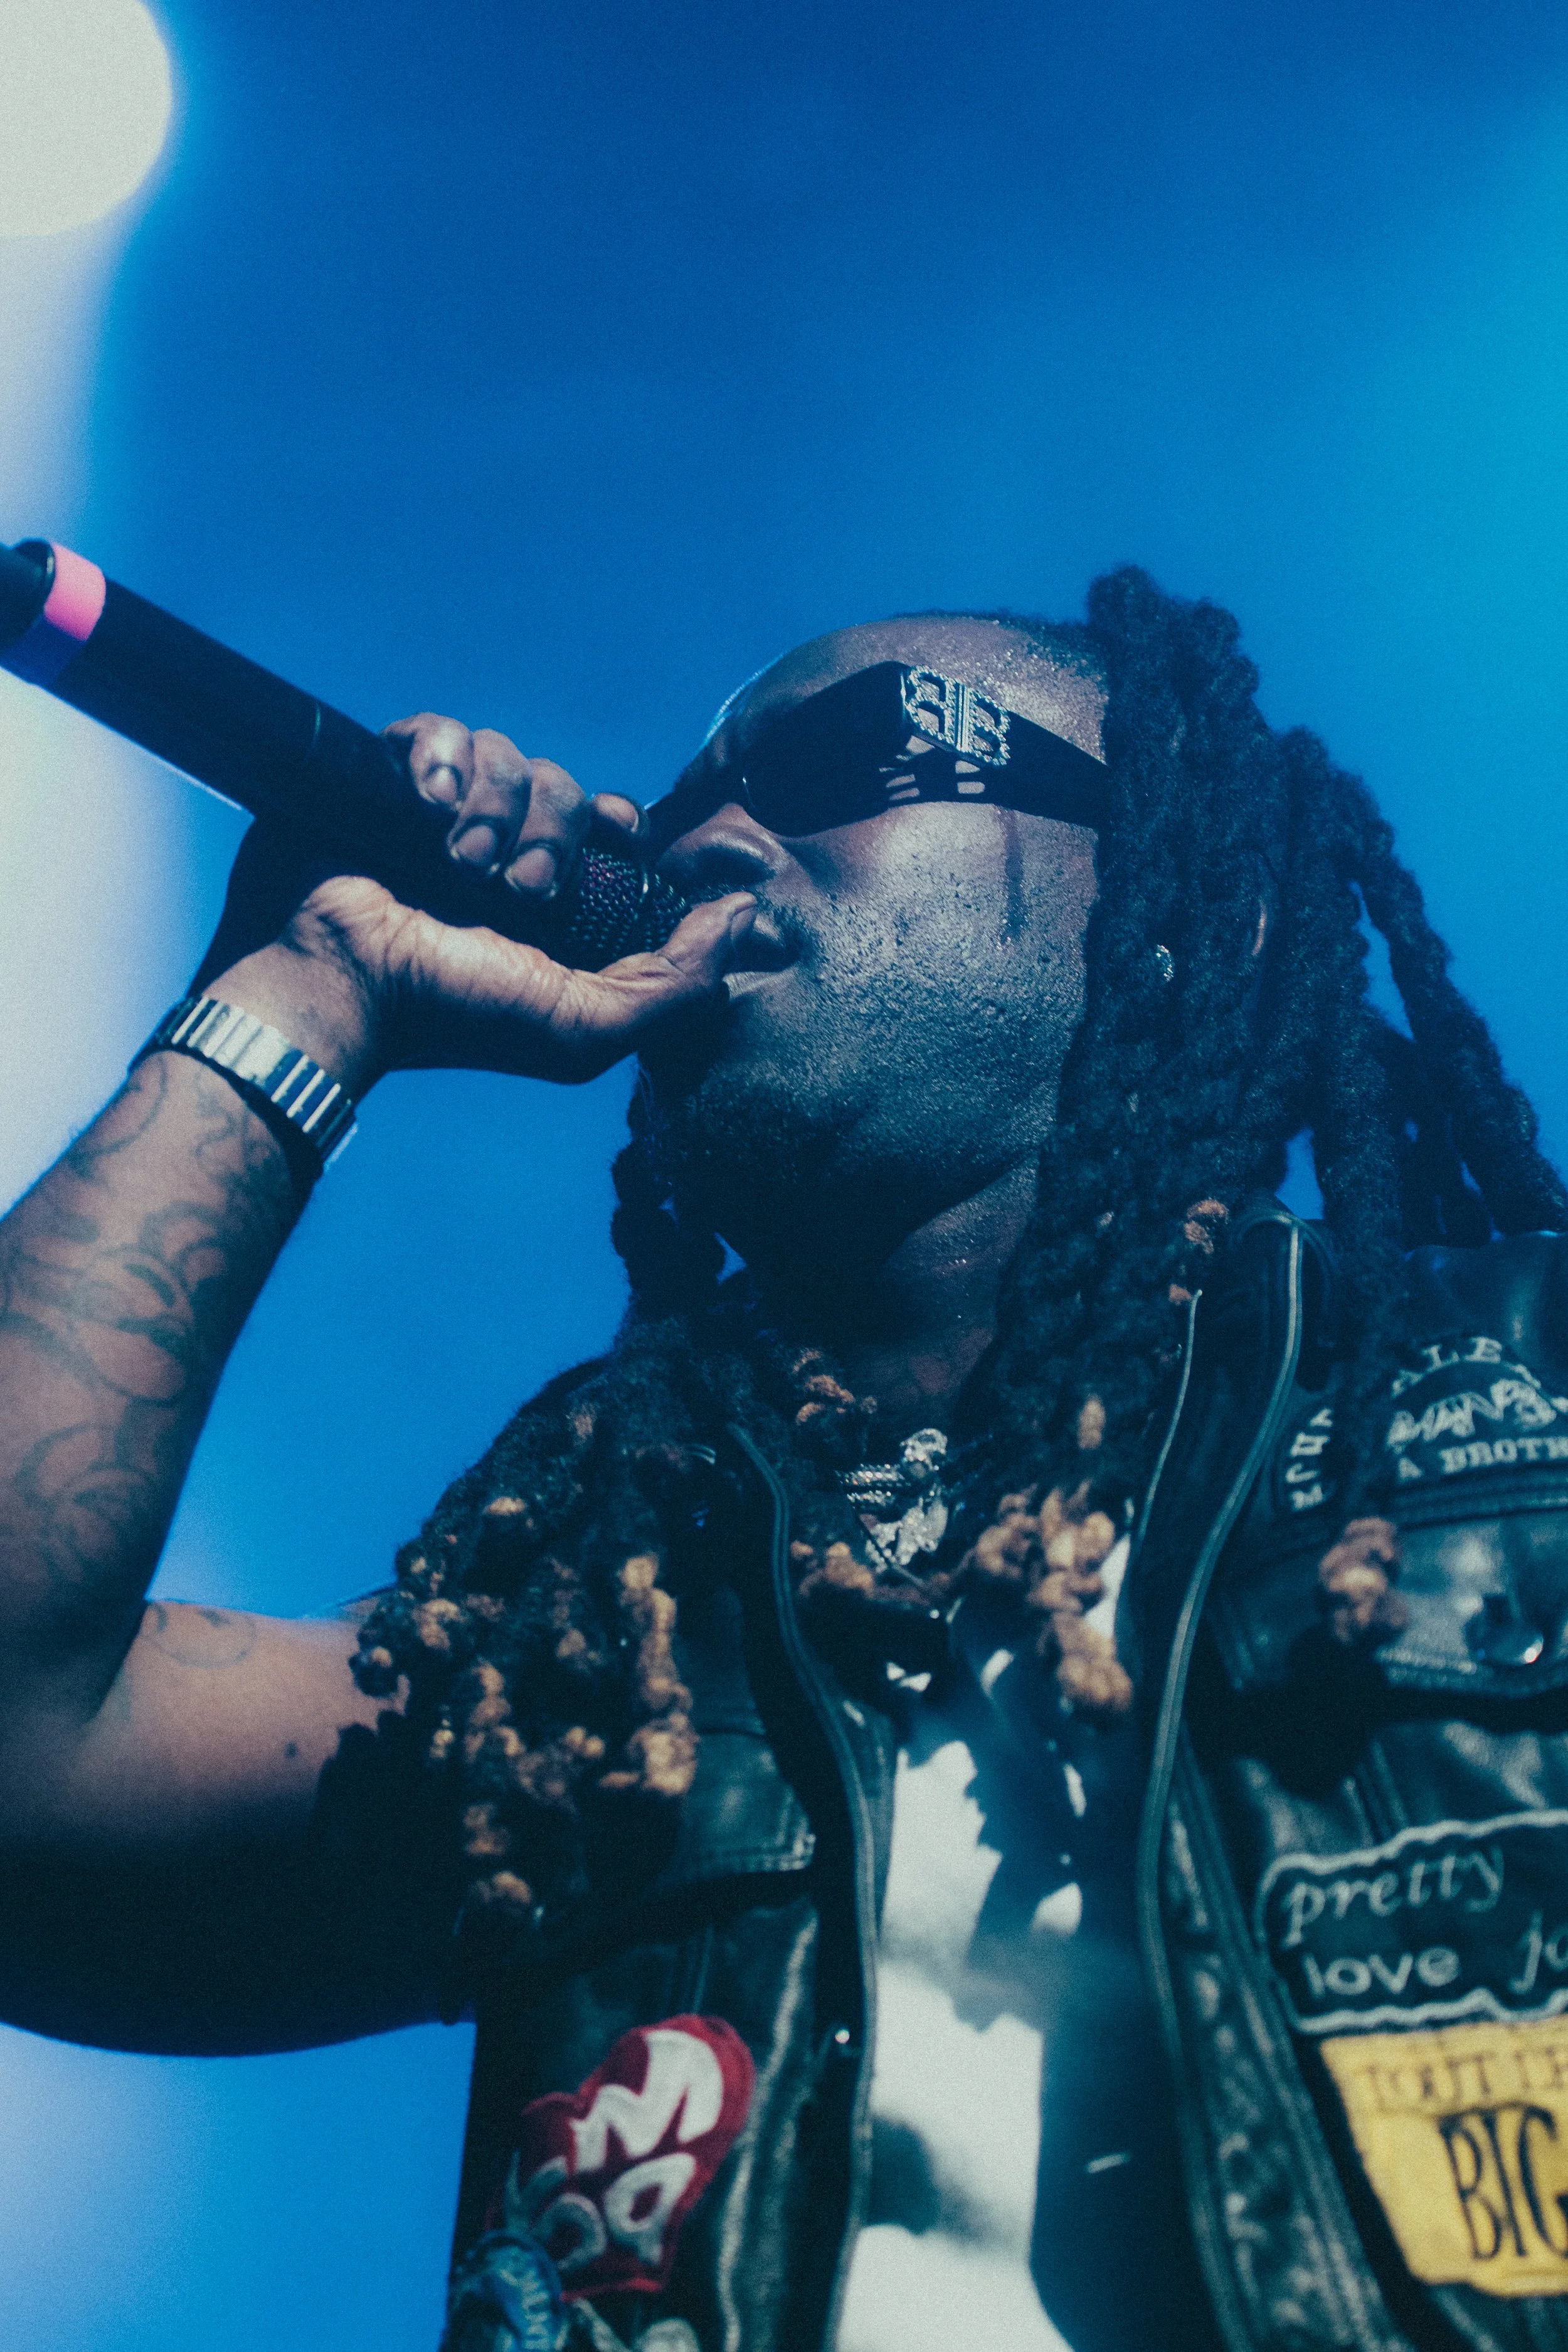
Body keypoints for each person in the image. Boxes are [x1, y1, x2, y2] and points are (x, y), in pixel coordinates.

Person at [1, 568, 1565, 2352]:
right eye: (676, 811)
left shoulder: (1518, 1397)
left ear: (1172, 904)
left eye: (849, 749)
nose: (714, 832)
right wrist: (306, 985)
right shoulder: (606, 1614)